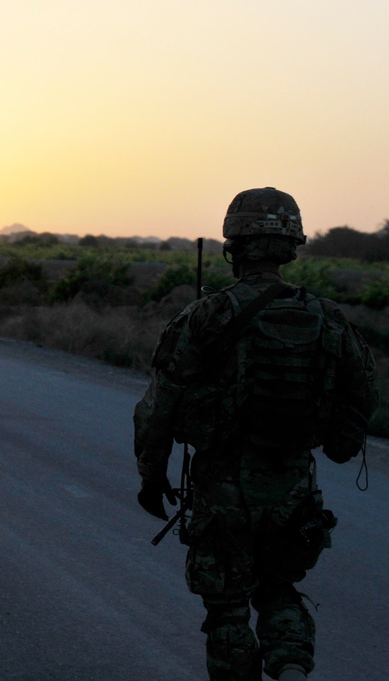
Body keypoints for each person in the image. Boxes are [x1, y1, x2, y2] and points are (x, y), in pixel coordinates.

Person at [133, 187, 378, 681]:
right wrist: (341, 441)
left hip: (223, 485)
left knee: (227, 610)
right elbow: (364, 390)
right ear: (291, 247)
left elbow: (159, 406)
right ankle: (290, 668)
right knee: (279, 589)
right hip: (292, 486)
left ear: (233, 246)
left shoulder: (205, 315)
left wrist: (151, 474)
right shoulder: (327, 317)